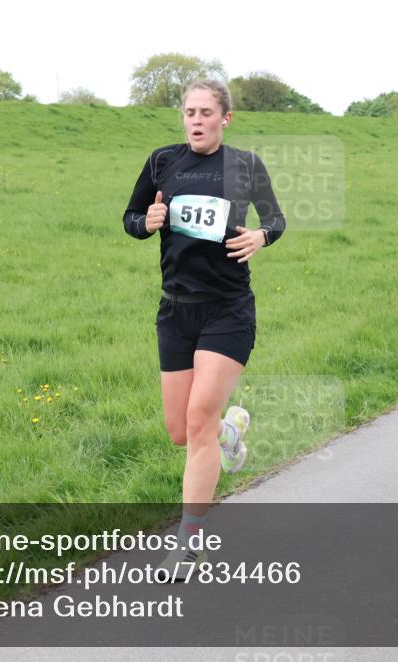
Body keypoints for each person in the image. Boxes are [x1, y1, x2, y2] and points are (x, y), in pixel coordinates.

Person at [122, 79, 286, 572]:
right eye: (189, 112)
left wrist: (260, 236)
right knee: (180, 432)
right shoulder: (162, 162)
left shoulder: (245, 165)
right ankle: (230, 433)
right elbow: (131, 217)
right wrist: (147, 221)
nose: (195, 120)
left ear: (225, 119)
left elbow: (276, 219)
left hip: (227, 311)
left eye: (205, 112)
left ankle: (188, 543)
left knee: (198, 423)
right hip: (175, 312)